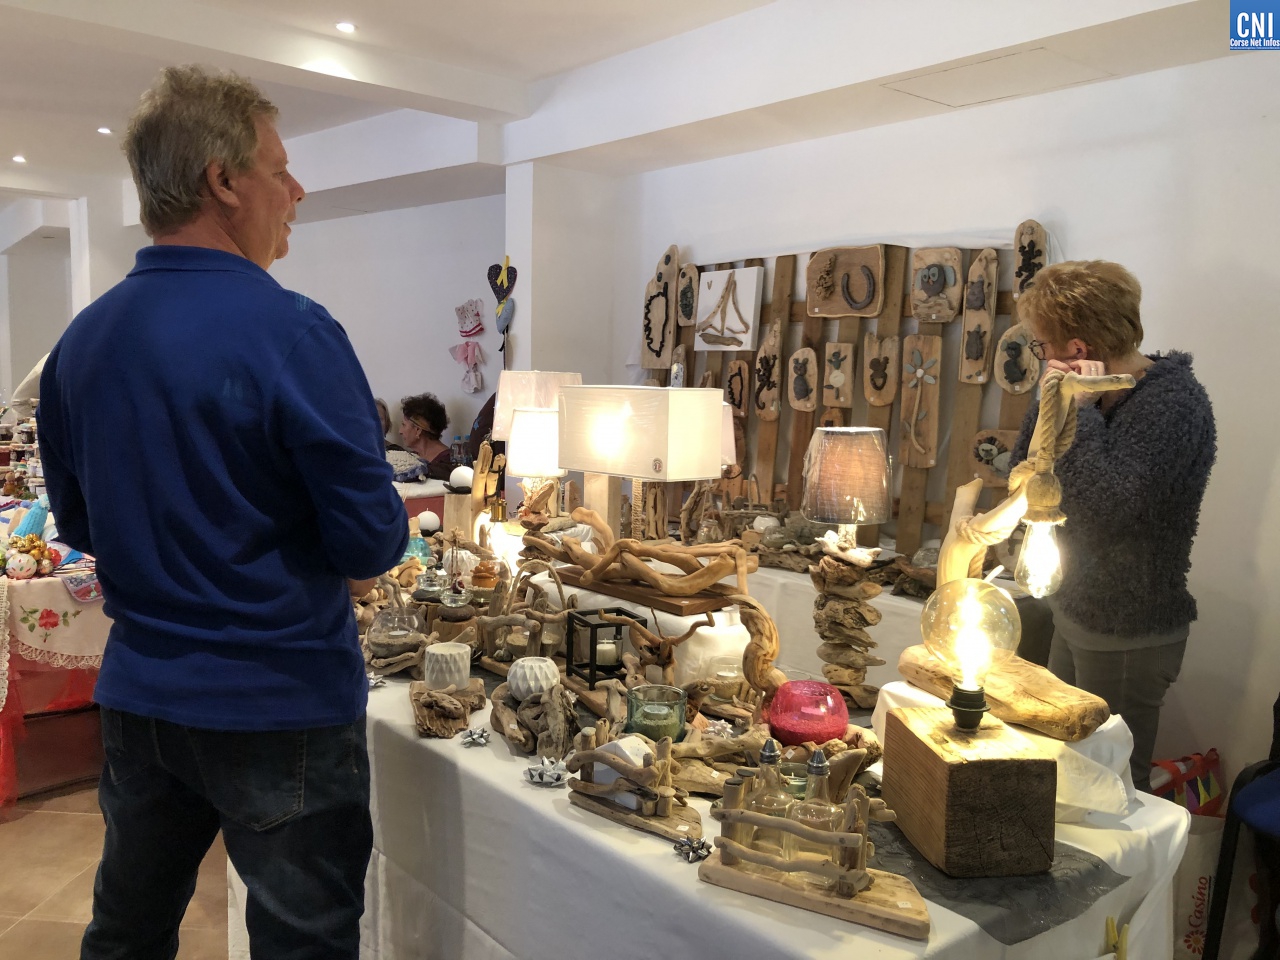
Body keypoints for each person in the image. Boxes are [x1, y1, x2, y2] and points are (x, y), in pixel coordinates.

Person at [37, 65, 407, 960]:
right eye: (279, 170)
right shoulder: (295, 331)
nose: (296, 191)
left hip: (141, 695)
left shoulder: (81, 342)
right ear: (224, 181)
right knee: (300, 945)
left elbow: (79, 527)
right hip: (279, 698)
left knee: (126, 932)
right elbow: (371, 542)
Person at [1010, 260, 1216, 792]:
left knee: (1110, 784)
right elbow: (1024, 466)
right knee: (1061, 764)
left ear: (1077, 348)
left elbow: (1109, 504)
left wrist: (1077, 410)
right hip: (1076, 607)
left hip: (1127, 627)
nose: (1041, 354)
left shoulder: (1172, 404)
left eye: (1042, 344)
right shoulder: (1091, 389)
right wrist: (1052, 401)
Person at [399, 391, 452, 479]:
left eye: (403, 425)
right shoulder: (411, 458)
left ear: (418, 430)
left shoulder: (448, 462)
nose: (400, 431)